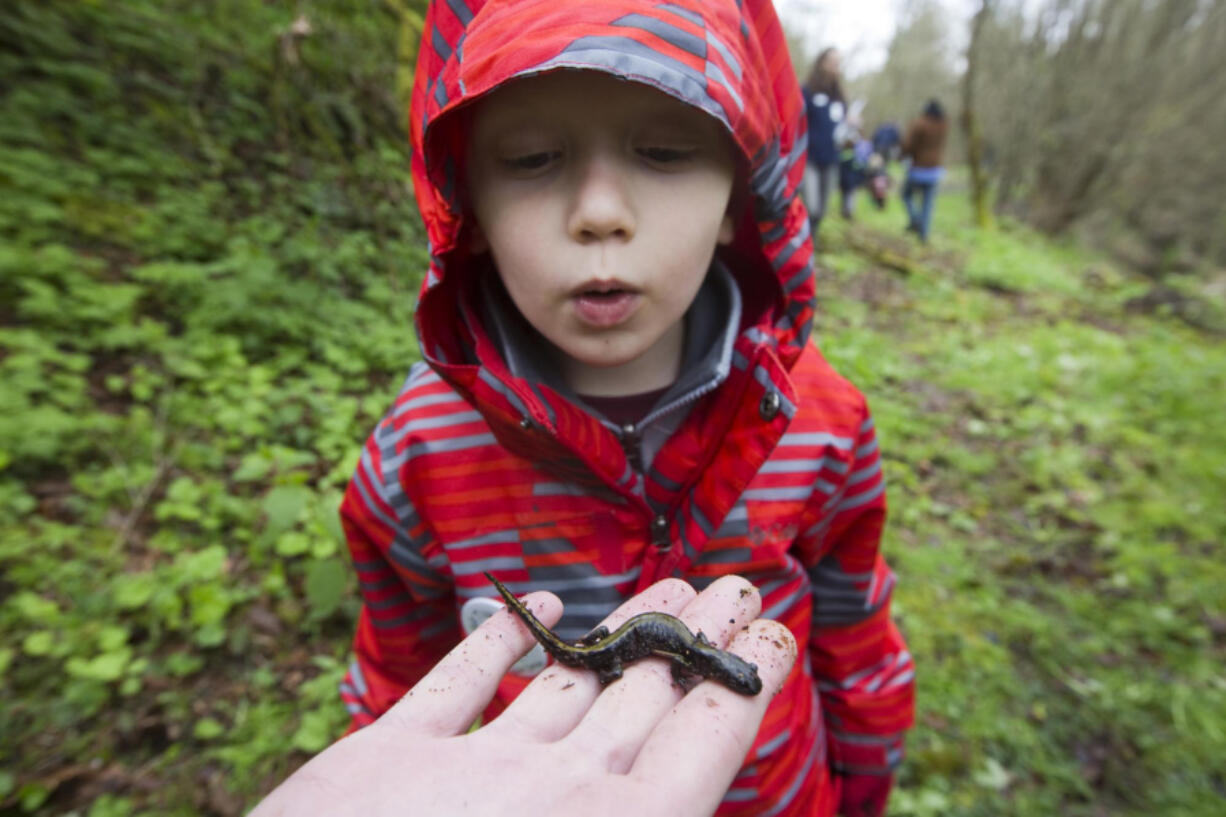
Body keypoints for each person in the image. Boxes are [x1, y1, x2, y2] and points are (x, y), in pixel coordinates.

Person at [339, 2, 915, 816]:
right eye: (534, 157)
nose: (600, 212)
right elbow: (398, 689)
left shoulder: (820, 420)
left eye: (665, 150)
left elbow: (858, 638)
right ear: (466, 208)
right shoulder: (418, 453)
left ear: (737, 203)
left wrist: (863, 787)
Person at [251, 575, 798, 817]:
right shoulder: (692, 657)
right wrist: (611, 673)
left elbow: (685, 660)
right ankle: (597, 665)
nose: (738, 682)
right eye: (739, 678)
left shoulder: (694, 654)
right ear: (719, 671)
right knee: (593, 660)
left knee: (610, 653)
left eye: (740, 678)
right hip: (603, 654)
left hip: (628, 641)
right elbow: (682, 663)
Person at [801, 47, 847, 236]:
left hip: (831, 159)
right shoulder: (807, 91)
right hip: (809, 157)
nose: (835, 66)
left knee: (821, 209)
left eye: (838, 62)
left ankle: (812, 241)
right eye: (831, 61)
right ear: (821, 62)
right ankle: (802, 238)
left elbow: (842, 128)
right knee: (811, 206)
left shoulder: (839, 97)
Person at [900, 99, 949, 242]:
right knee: (928, 202)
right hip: (935, 169)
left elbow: (909, 145)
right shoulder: (943, 125)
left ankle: (916, 221)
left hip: (918, 168)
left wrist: (903, 155)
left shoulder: (919, 124)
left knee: (906, 195)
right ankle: (924, 233)